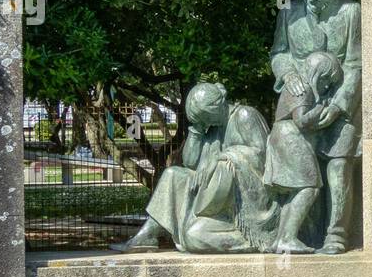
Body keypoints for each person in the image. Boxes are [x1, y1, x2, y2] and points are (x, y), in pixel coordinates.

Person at [111, 81, 277, 253]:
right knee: (172, 174)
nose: (204, 122)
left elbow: (263, 155)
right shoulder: (212, 128)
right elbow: (190, 162)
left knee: (193, 237)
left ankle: (255, 241)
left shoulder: (245, 115)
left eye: (204, 118)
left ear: (215, 109)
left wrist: (223, 156)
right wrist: (197, 130)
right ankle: (148, 235)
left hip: (244, 204)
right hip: (215, 196)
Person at [268, 0, 361, 254]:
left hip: (339, 104)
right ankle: (299, 234)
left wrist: (339, 105)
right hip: (301, 100)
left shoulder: (351, 12)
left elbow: (357, 63)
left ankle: (336, 235)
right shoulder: (289, 12)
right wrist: (288, 75)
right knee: (303, 172)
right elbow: (278, 53)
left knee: (338, 164)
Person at [264, 51, 343, 254]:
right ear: (318, 75)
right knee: (310, 187)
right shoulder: (304, 88)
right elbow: (301, 120)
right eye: (327, 81)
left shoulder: (299, 87)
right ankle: (288, 238)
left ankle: (281, 239)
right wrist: (321, 109)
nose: (327, 87)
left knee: (298, 189)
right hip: (290, 136)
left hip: (283, 135)